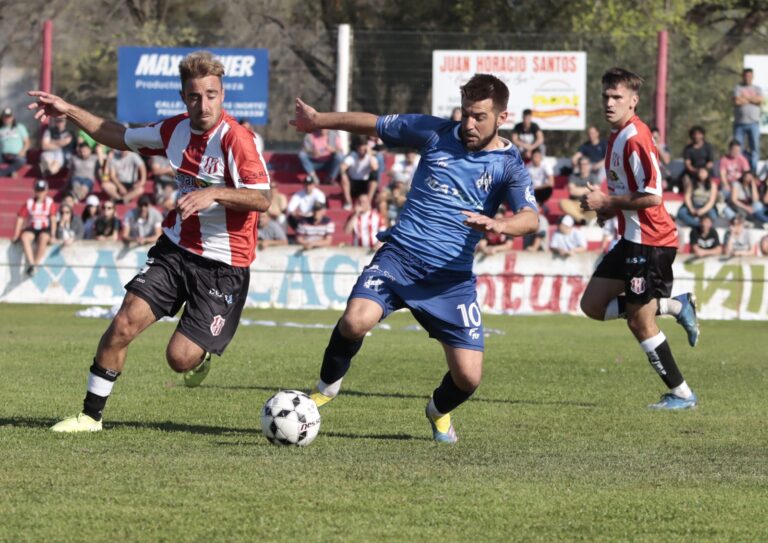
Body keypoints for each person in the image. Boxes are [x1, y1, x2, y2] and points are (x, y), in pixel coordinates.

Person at [29, 50, 271, 432]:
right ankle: (90, 417)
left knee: (179, 358)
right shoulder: (173, 130)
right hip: (175, 250)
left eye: (211, 94)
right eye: (195, 96)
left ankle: (200, 354)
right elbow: (117, 135)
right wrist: (69, 110)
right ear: (183, 98)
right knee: (122, 324)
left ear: (222, 95)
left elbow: (263, 197)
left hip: (224, 266)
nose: (203, 104)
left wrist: (215, 193)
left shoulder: (238, 140)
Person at [291, 73, 538, 443]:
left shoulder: (509, 165)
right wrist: (319, 121)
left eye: (480, 117)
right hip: (399, 259)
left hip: (450, 281)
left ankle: (437, 411)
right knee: (354, 322)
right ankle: (324, 390)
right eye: (466, 114)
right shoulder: (434, 133)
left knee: (469, 378)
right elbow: (374, 124)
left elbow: (530, 217)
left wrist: (499, 224)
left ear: (502, 118)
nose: (469, 124)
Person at [579, 67, 700, 410]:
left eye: (617, 97)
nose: (609, 102)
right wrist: (608, 210)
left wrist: (607, 201)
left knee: (638, 320)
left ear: (633, 101)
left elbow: (653, 196)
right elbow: (627, 192)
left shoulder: (635, 137)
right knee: (591, 306)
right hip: (631, 238)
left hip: (651, 241)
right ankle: (676, 305)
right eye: (605, 96)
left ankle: (681, 394)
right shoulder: (615, 137)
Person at [12, 179, 57, 276]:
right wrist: (16, 234)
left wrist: (53, 235)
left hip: (44, 228)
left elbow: (53, 219)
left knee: (44, 238)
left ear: (46, 191)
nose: (40, 193)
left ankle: (35, 264)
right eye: (38, 190)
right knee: (24, 237)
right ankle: (32, 263)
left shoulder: (49, 202)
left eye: (42, 191)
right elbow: (20, 218)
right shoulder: (29, 202)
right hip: (32, 227)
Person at [733, 68, 763, 172]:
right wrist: (752, 99)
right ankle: (740, 170)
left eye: (749, 76)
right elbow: (737, 101)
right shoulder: (738, 88)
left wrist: (745, 98)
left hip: (753, 123)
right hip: (739, 123)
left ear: (752, 77)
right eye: (746, 76)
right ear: (742, 76)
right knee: (738, 148)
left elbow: (759, 100)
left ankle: (753, 171)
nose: (747, 78)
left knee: (754, 148)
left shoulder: (757, 88)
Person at [340, 135, 379, 210]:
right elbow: (342, 167)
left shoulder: (370, 157)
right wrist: (343, 174)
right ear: (357, 149)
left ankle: (368, 202)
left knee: (374, 176)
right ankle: (348, 202)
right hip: (353, 184)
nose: (362, 152)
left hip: (365, 184)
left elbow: (375, 168)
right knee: (343, 176)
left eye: (364, 150)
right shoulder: (352, 156)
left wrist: (369, 154)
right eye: (360, 150)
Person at [560, 156, 599, 224]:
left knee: (598, 206)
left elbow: (596, 190)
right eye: (580, 164)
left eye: (585, 164)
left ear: (589, 165)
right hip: (575, 203)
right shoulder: (573, 176)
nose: (582, 166)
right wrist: (588, 189)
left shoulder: (594, 177)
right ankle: (582, 219)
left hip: (588, 204)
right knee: (562, 202)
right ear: (578, 165)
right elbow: (572, 191)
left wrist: (577, 190)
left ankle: (578, 218)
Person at [680, 126, 715, 190]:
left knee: (711, 182)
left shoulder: (708, 147)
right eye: (695, 134)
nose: (697, 136)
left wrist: (704, 170)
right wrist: (696, 171)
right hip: (692, 172)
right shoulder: (688, 149)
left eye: (699, 134)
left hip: (706, 171)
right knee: (686, 180)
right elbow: (688, 165)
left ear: (702, 135)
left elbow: (711, 162)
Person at [0, 107, 30, 177]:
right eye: (5, 117)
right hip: (4, 156)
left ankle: (2, 173)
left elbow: (27, 142)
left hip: (17, 156)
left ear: (12, 117)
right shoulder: (1, 129)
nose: (7, 119)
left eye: (8, 116)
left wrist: (23, 151)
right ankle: (9, 172)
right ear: (2, 118)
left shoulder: (19, 127)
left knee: (21, 161)